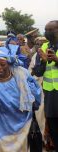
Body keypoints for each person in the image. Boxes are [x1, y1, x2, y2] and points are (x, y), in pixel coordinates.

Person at [34, 20, 58, 149]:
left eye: (51, 30)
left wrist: (56, 60)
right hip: (49, 92)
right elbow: (37, 72)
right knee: (52, 123)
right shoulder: (43, 48)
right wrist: (43, 62)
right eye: (46, 30)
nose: (47, 32)